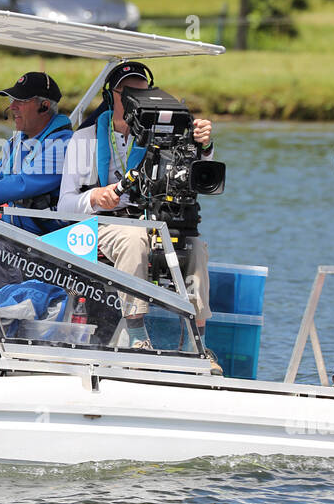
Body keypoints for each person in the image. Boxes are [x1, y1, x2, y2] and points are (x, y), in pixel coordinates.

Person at [57, 61, 218, 370]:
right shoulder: (84, 139)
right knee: (132, 239)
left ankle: (200, 344)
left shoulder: (167, 135)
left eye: (142, 90)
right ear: (112, 96)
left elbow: (199, 174)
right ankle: (137, 337)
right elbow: (64, 207)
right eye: (128, 91)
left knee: (195, 246)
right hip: (100, 224)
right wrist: (95, 197)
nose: (136, 96)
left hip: (151, 221)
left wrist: (204, 144)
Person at [0, 71, 73, 235]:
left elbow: (21, 184)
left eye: (22, 101)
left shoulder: (64, 145)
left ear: (45, 106)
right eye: (13, 100)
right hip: (16, 237)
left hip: (48, 242)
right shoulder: (15, 143)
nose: (12, 107)